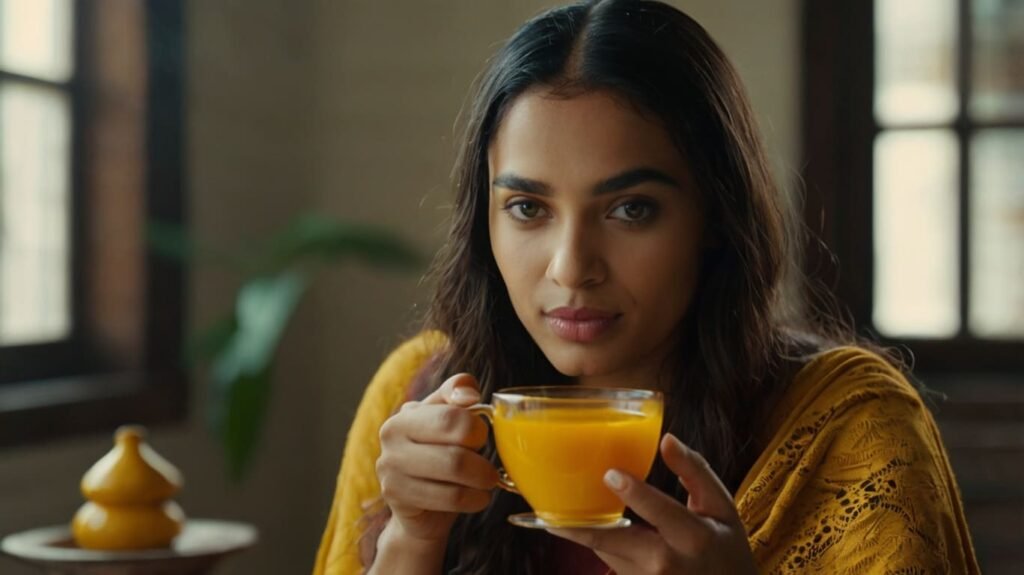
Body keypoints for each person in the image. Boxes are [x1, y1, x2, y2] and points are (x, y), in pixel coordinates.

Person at [313, 1, 980, 573]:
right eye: (527, 208)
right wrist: (410, 540)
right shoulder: (417, 399)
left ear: (715, 218)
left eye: (631, 208)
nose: (571, 267)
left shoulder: (849, 428)